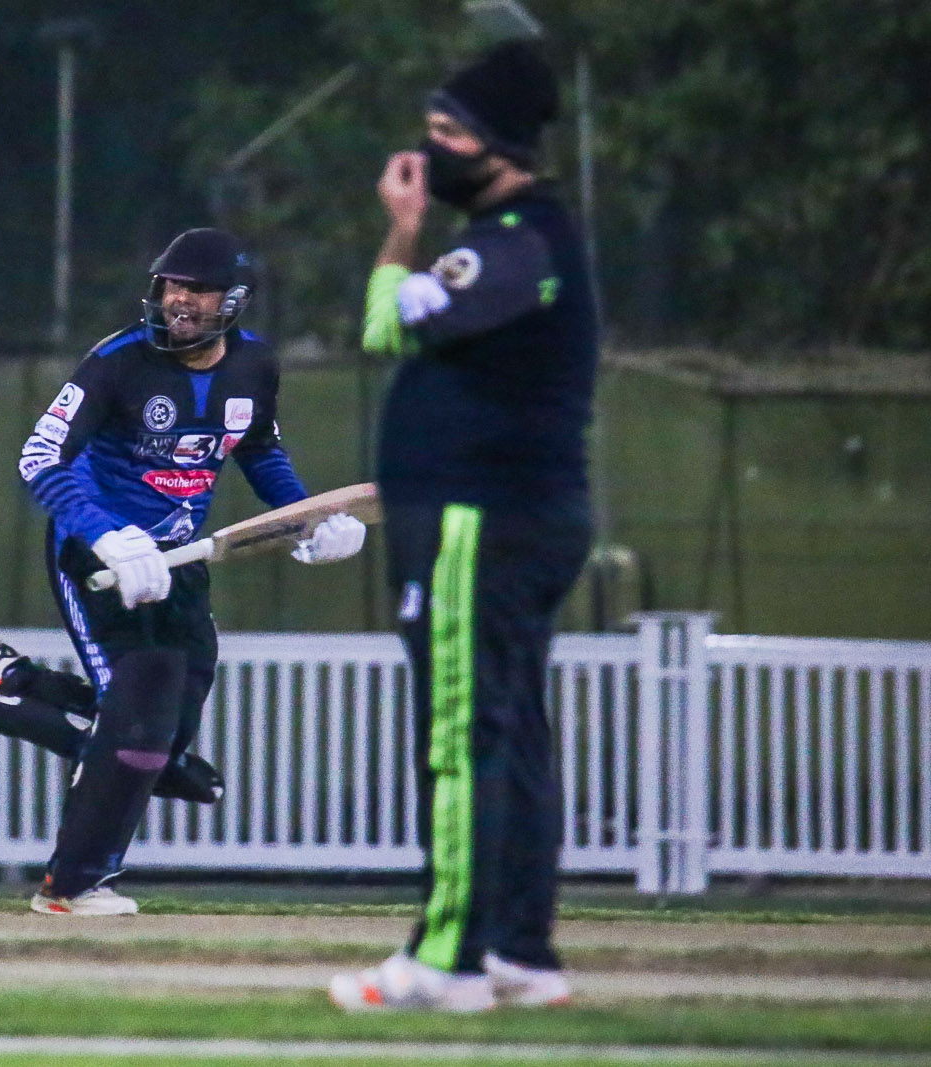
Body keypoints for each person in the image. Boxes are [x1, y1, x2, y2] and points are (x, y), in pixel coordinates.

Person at [0, 227, 368, 915]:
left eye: (197, 290)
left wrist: (309, 519)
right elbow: (39, 459)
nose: (179, 301)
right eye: (171, 286)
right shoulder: (116, 362)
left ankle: (9, 688)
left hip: (180, 563)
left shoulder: (255, 365)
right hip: (99, 559)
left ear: (232, 300)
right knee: (139, 721)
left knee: (163, 750)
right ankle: (73, 884)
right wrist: (108, 536)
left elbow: (259, 452)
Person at [328, 41, 598, 1011]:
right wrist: (413, 230)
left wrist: (401, 235)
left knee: (460, 736)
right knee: (509, 733)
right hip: (510, 512)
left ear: (501, 143)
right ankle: (519, 950)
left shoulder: (516, 238)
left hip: (478, 518)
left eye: (448, 130)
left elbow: (388, 323)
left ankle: (445, 961)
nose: (429, 147)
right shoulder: (527, 235)